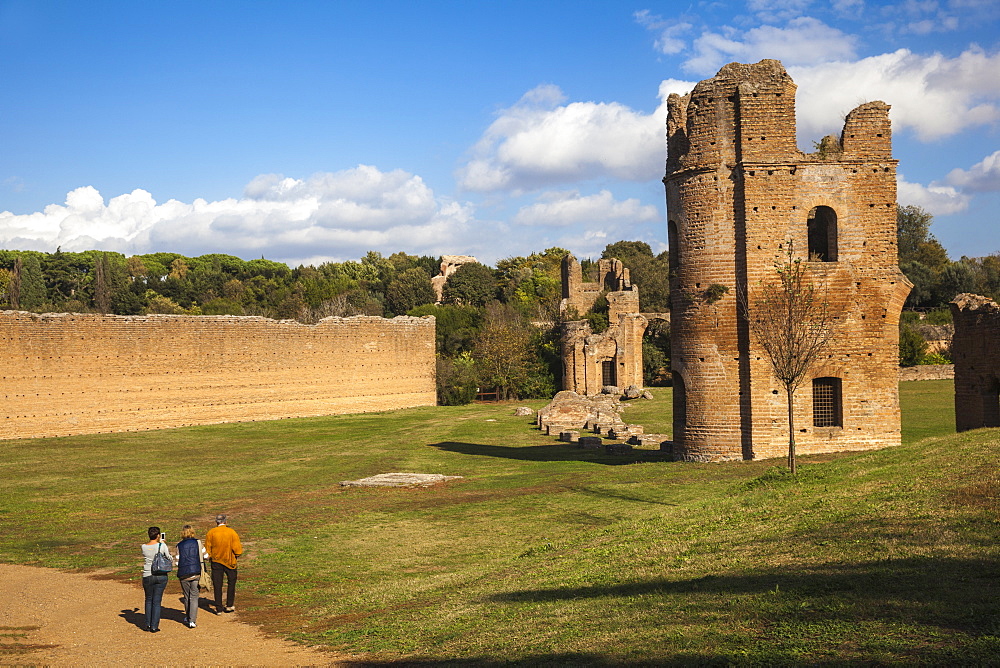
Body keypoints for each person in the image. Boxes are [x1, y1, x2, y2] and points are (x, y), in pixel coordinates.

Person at [205, 513, 242, 613]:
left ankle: (218, 608)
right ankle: (229, 604)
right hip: (230, 561)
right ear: (226, 521)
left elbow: (208, 549)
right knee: (231, 583)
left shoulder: (211, 532)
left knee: (217, 584)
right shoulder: (231, 532)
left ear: (216, 522)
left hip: (216, 561)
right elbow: (237, 549)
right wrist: (237, 554)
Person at [174, 524, 208, 628]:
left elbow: (176, 562)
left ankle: (188, 616)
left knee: (187, 596)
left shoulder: (179, 545)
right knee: (194, 597)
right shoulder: (198, 543)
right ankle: (192, 620)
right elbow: (206, 556)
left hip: (184, 574)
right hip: (196, 572)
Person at [140, 526, 170, 632]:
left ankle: (147, 624)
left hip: (147, 575)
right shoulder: (162, 546)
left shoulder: (143, 547)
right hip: (160, 575)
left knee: (148, 599)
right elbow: (169, 557)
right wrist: (163, 543)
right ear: (158, 535)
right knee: (157, 601)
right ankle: (154, 626)